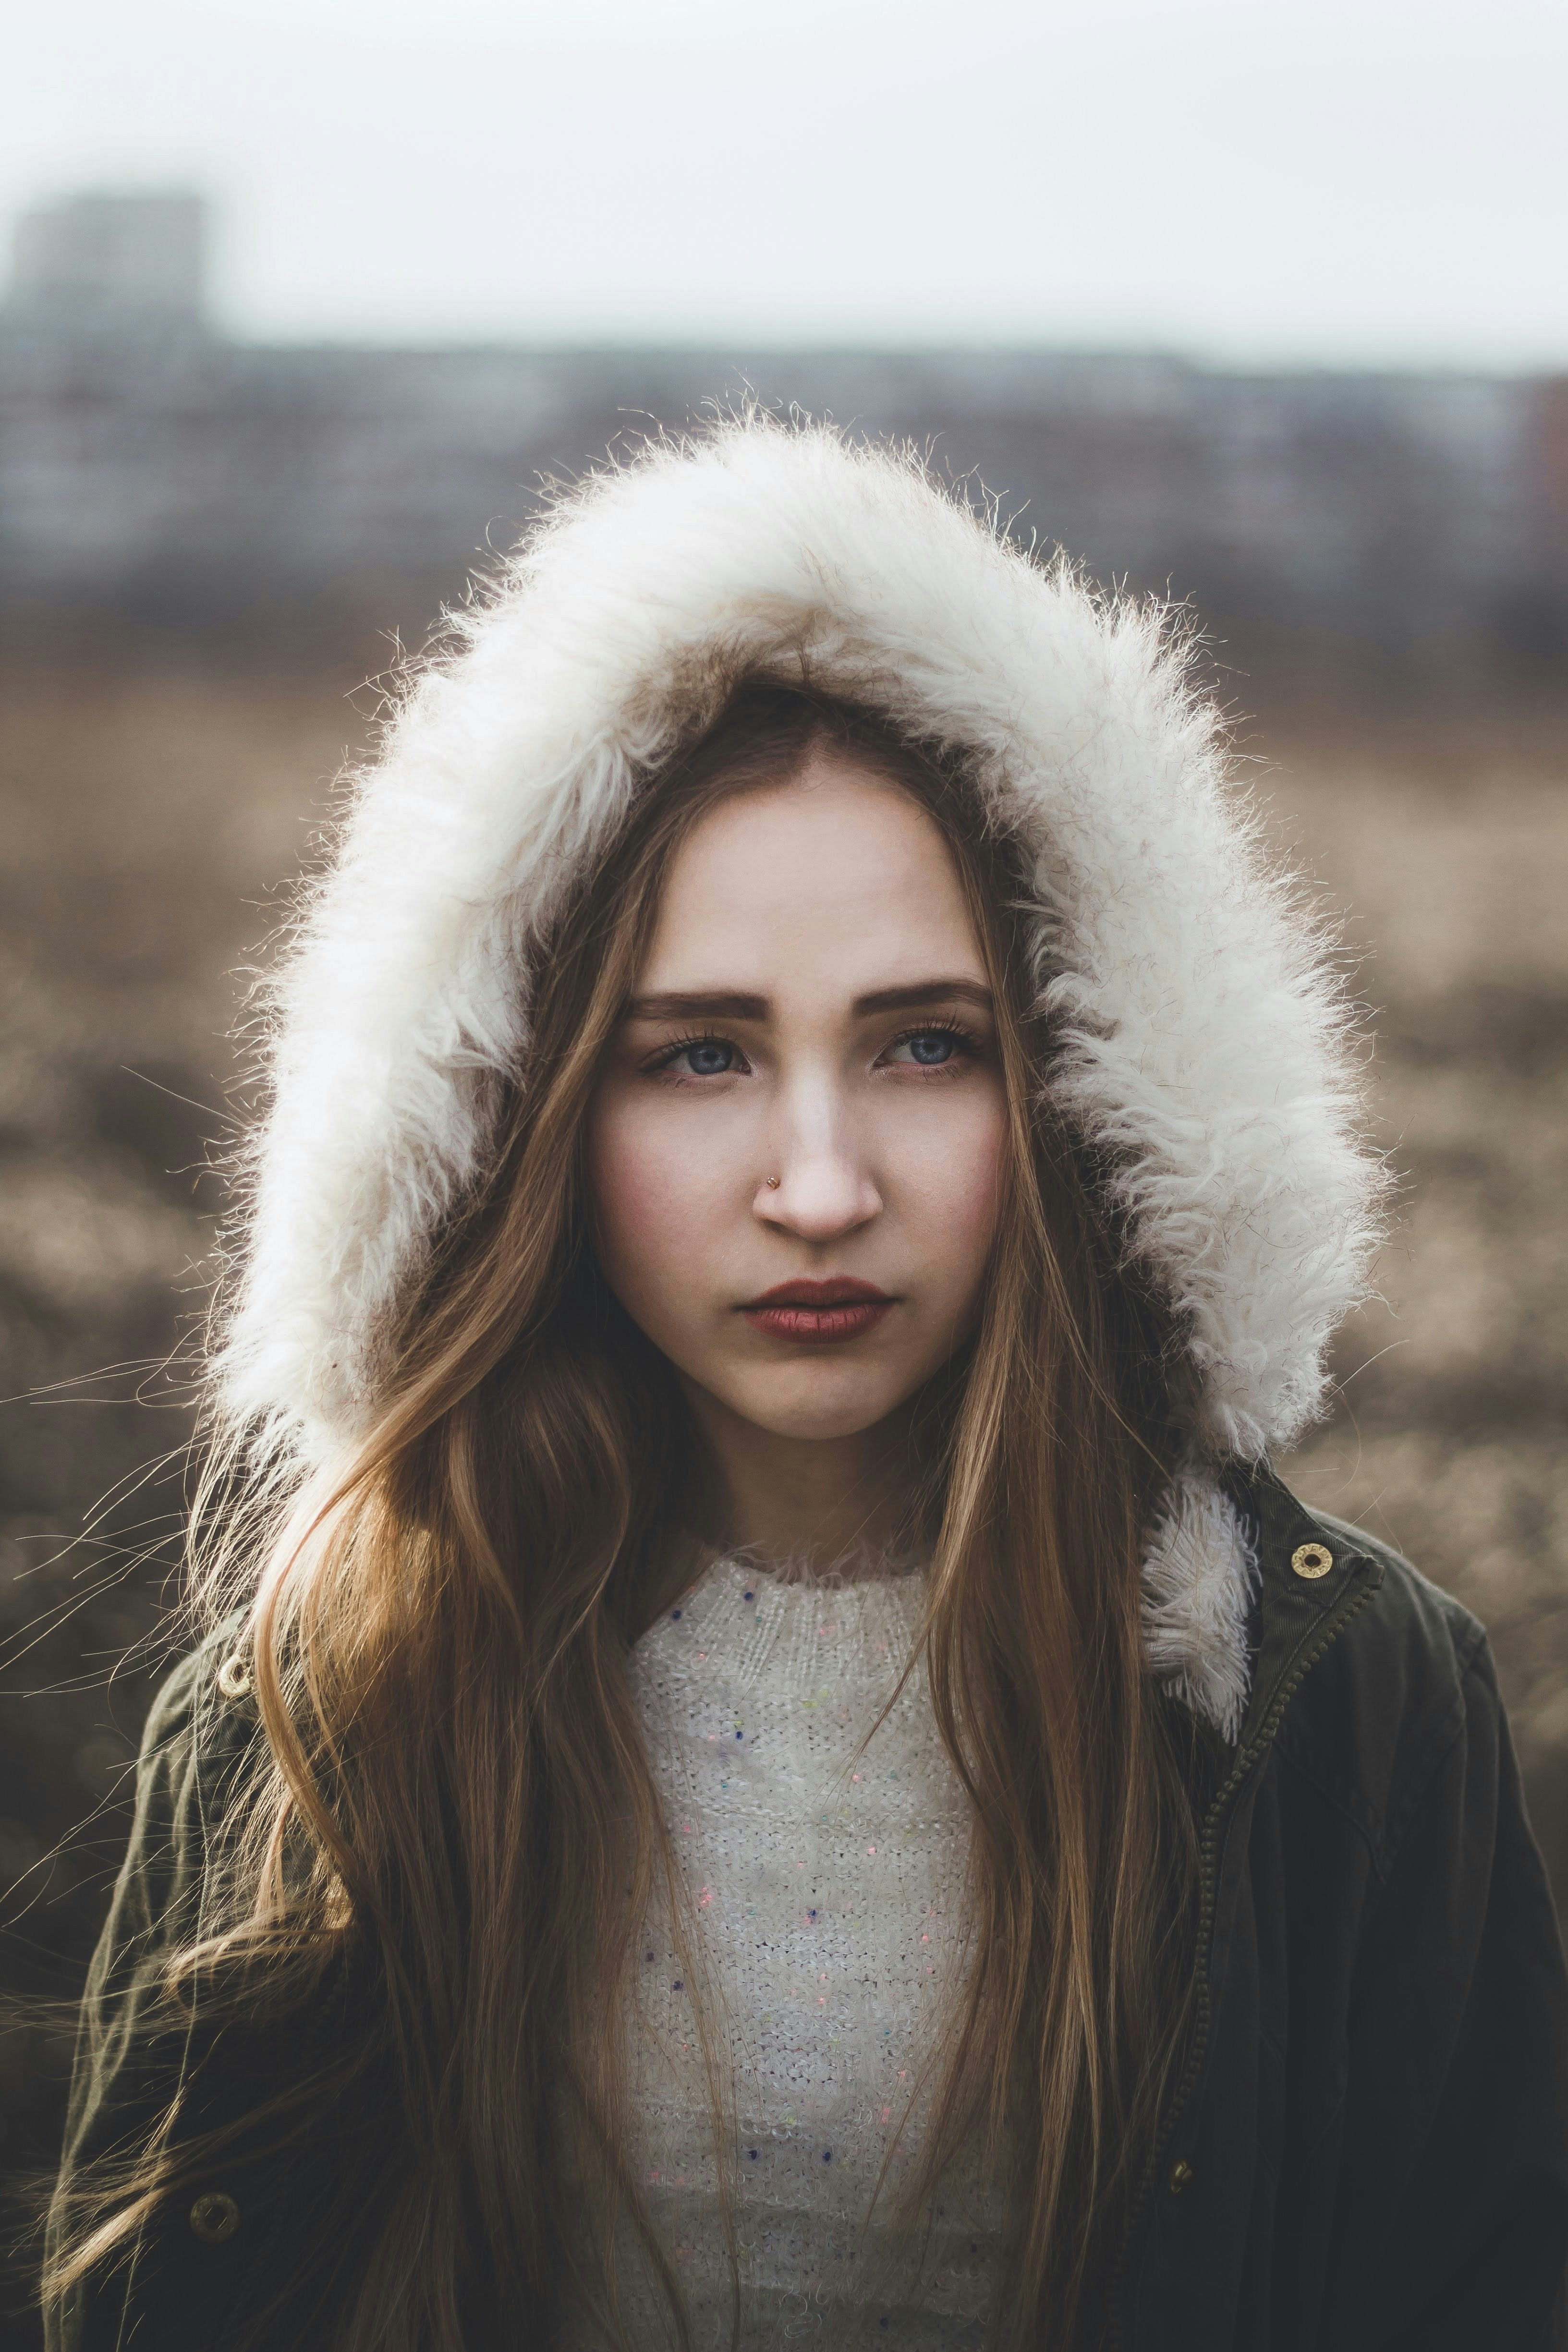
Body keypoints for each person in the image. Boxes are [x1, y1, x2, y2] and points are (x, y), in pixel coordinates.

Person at [42, 418, 1568, 2352]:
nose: (822, 1186)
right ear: (523, 1113)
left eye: (926, 1045)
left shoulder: (1332, 1711)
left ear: (1090, 1093)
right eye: (699, 1055)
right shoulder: (323, 1706)